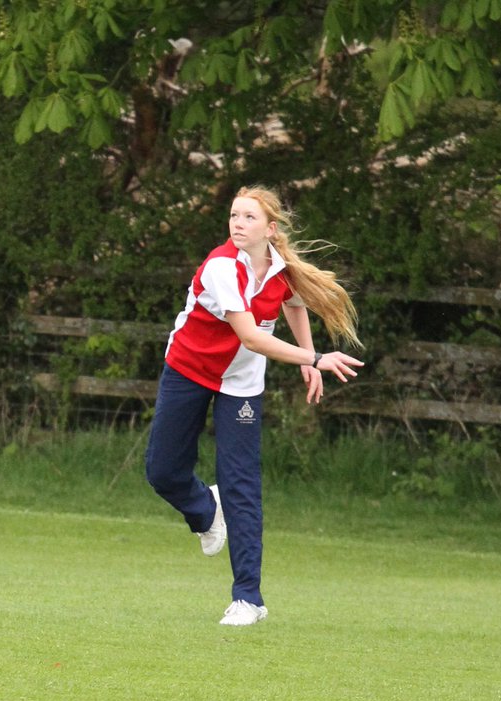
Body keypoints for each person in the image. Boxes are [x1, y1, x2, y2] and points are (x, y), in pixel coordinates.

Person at [144, 185, 363, 626]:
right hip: (188, 369)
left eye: (248, 217)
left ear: (270, 228)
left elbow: (296, 305)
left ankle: (248, 598)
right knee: (162, 472)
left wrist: (309, 357)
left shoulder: (281, 270)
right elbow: (250, 336)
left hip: (240, 384)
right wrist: (315, 357)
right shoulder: (223, 266)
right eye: (234, 216)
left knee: (242, 484)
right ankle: (206, 508)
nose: (238, 224)